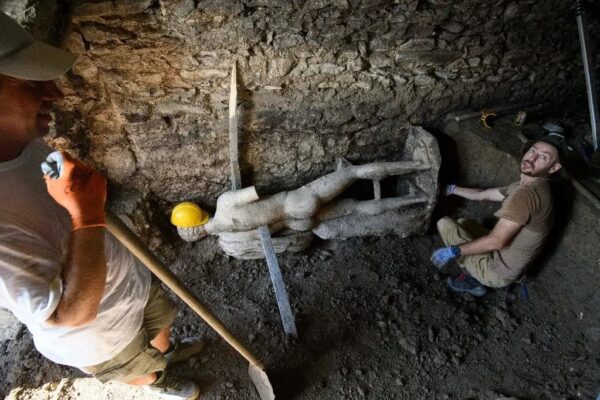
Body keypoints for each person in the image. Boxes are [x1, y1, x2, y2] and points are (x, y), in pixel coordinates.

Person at [0, 11, 200, 399]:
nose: (55, 93)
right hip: (101, 336)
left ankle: (167, 356)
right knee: (139, 370)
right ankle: (159, 381)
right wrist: (88, 215)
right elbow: (65, 316)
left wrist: (76, 186)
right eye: (29, 82)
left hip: (127, 286)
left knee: (160, 324)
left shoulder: (16, 141)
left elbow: (48, 191)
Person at [430, 134, 565, 296]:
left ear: (553, 168)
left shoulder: (526, 196)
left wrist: (452, 252)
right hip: (510, 257)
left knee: (444, 224)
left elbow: (497, 241)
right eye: (532, 150)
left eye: (543, 157)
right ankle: (475, 267)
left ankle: (474, 281)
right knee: (463, 223)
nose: (532, 158)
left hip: (498, 272)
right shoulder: (532, 184)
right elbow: (483, 194)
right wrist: (451, 189)